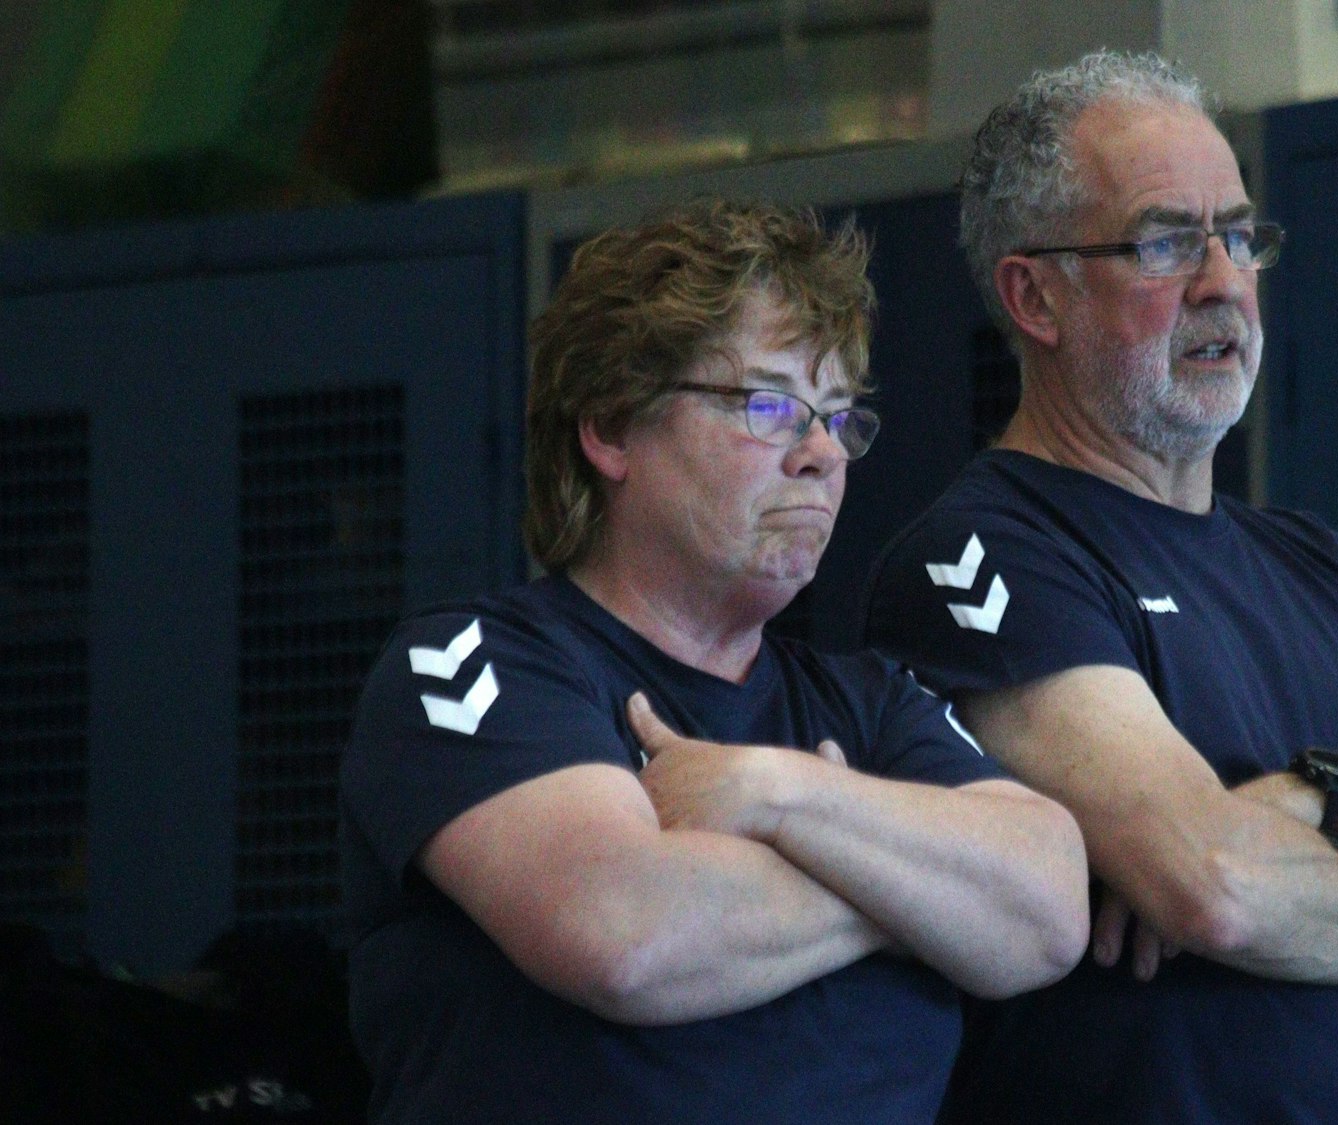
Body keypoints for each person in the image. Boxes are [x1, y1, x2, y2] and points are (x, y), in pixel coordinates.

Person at [861, 52, 1338, 1123]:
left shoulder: (1328, 572)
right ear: (1035, 296)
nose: (1222, 281)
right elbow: (1215, 886)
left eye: (1238, 235)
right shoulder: (981, 553)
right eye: (1166, 242)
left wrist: (1317, 802)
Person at [340, 199, 1090, 1124]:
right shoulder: (473, 663)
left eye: (839, 417)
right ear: (613, 426)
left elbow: (1050, 906)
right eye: (769, 405)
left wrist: (780, 795)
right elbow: (625, 933)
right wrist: (915, 898)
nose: (821, 454)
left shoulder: (871, 703)